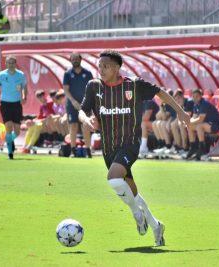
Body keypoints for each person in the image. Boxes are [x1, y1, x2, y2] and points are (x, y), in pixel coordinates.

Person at [78, 50, 190, 246]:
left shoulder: (134, 85)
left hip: (130, 143)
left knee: (114, 179)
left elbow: (160, 92)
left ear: (116, 68)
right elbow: (82, 110)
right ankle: (156, 226)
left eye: (105, 66)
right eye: (99, 66)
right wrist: (87, 119)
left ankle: (136, 214)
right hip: (109, 147)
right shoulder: (93, 86)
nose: (101, 70)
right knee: (132, 192)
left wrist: (180, 111)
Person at [0, 56, 27, 160]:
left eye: (13, 63)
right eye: (9, 63)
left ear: (15, 64)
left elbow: (24, 87)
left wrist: (24, 97)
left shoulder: (21, 75)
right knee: (8, 126)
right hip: (5, 104)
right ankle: (10, 153)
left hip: (16, 105)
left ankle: (8, 140)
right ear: (6, 64)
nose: (11, 65)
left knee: (17, 131)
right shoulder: (1, 75)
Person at [63, 53, 94, 158]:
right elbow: (66, 89)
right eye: (73, 59)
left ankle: (88, 150)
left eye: (77, 58)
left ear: (81, 60)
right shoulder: (67, 74)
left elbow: (92, 88)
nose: (75, 60)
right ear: (70, 60)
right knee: (73, 126)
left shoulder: (88, 73)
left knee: (86, 125)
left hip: (85, 105)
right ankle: (73, 150)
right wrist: (73, 101)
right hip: (72, 105)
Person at [186, 88, 219, 160]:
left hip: (216, 125)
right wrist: (188, 122)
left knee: (199, 126)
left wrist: (190, 121)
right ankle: (193, 148)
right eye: (193, 96)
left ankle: (202, 149)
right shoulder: (196, 105)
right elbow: (194, 117)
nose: (195, 98)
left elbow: (200, 119)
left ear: (201, 96)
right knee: (189, 127)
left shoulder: (204, 104)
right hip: (207, 125)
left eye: (197, 96)